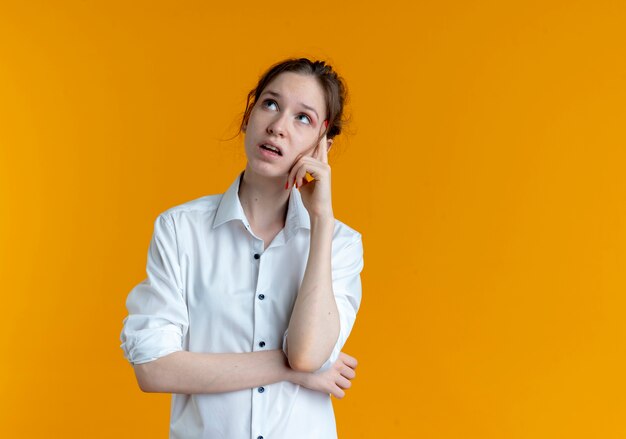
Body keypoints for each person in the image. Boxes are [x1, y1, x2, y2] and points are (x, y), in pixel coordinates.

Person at [120, 57, 364, 439]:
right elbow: (153, 368)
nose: (278, 127)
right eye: (270, 104)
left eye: (303, 118)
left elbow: (307, 354)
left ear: (323, 146)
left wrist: (322, 222)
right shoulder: (180, 230)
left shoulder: (340, 244)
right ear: (248, 117)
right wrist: (292, 371)